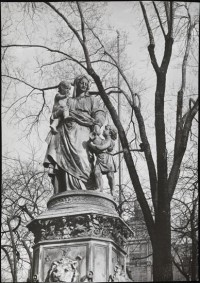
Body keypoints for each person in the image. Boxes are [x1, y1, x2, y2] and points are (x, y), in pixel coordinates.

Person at [44, 75, 106, 194]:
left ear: (88, 85)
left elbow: (99, 112)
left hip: (83, 130)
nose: (83, 85)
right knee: (62, 159)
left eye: (85, 83)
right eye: (81, 83)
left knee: (82, 157)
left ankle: (86, 188)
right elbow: (56, 113)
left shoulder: (92, 99)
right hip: (65, 132)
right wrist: (56, 115)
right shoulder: (69, 100)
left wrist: (98, 124)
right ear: (76, 85)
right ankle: (67, 190)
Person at [89, 125, 117, 195]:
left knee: (110, 176)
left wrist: (93, 145)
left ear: (110, 133)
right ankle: (99, 188)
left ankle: (113, 190)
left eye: (106, 129)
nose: (104, 130)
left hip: (107, 159)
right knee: (97, 173)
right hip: (100, 159)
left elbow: (102, 147)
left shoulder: (110, 141)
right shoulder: (102, 140)